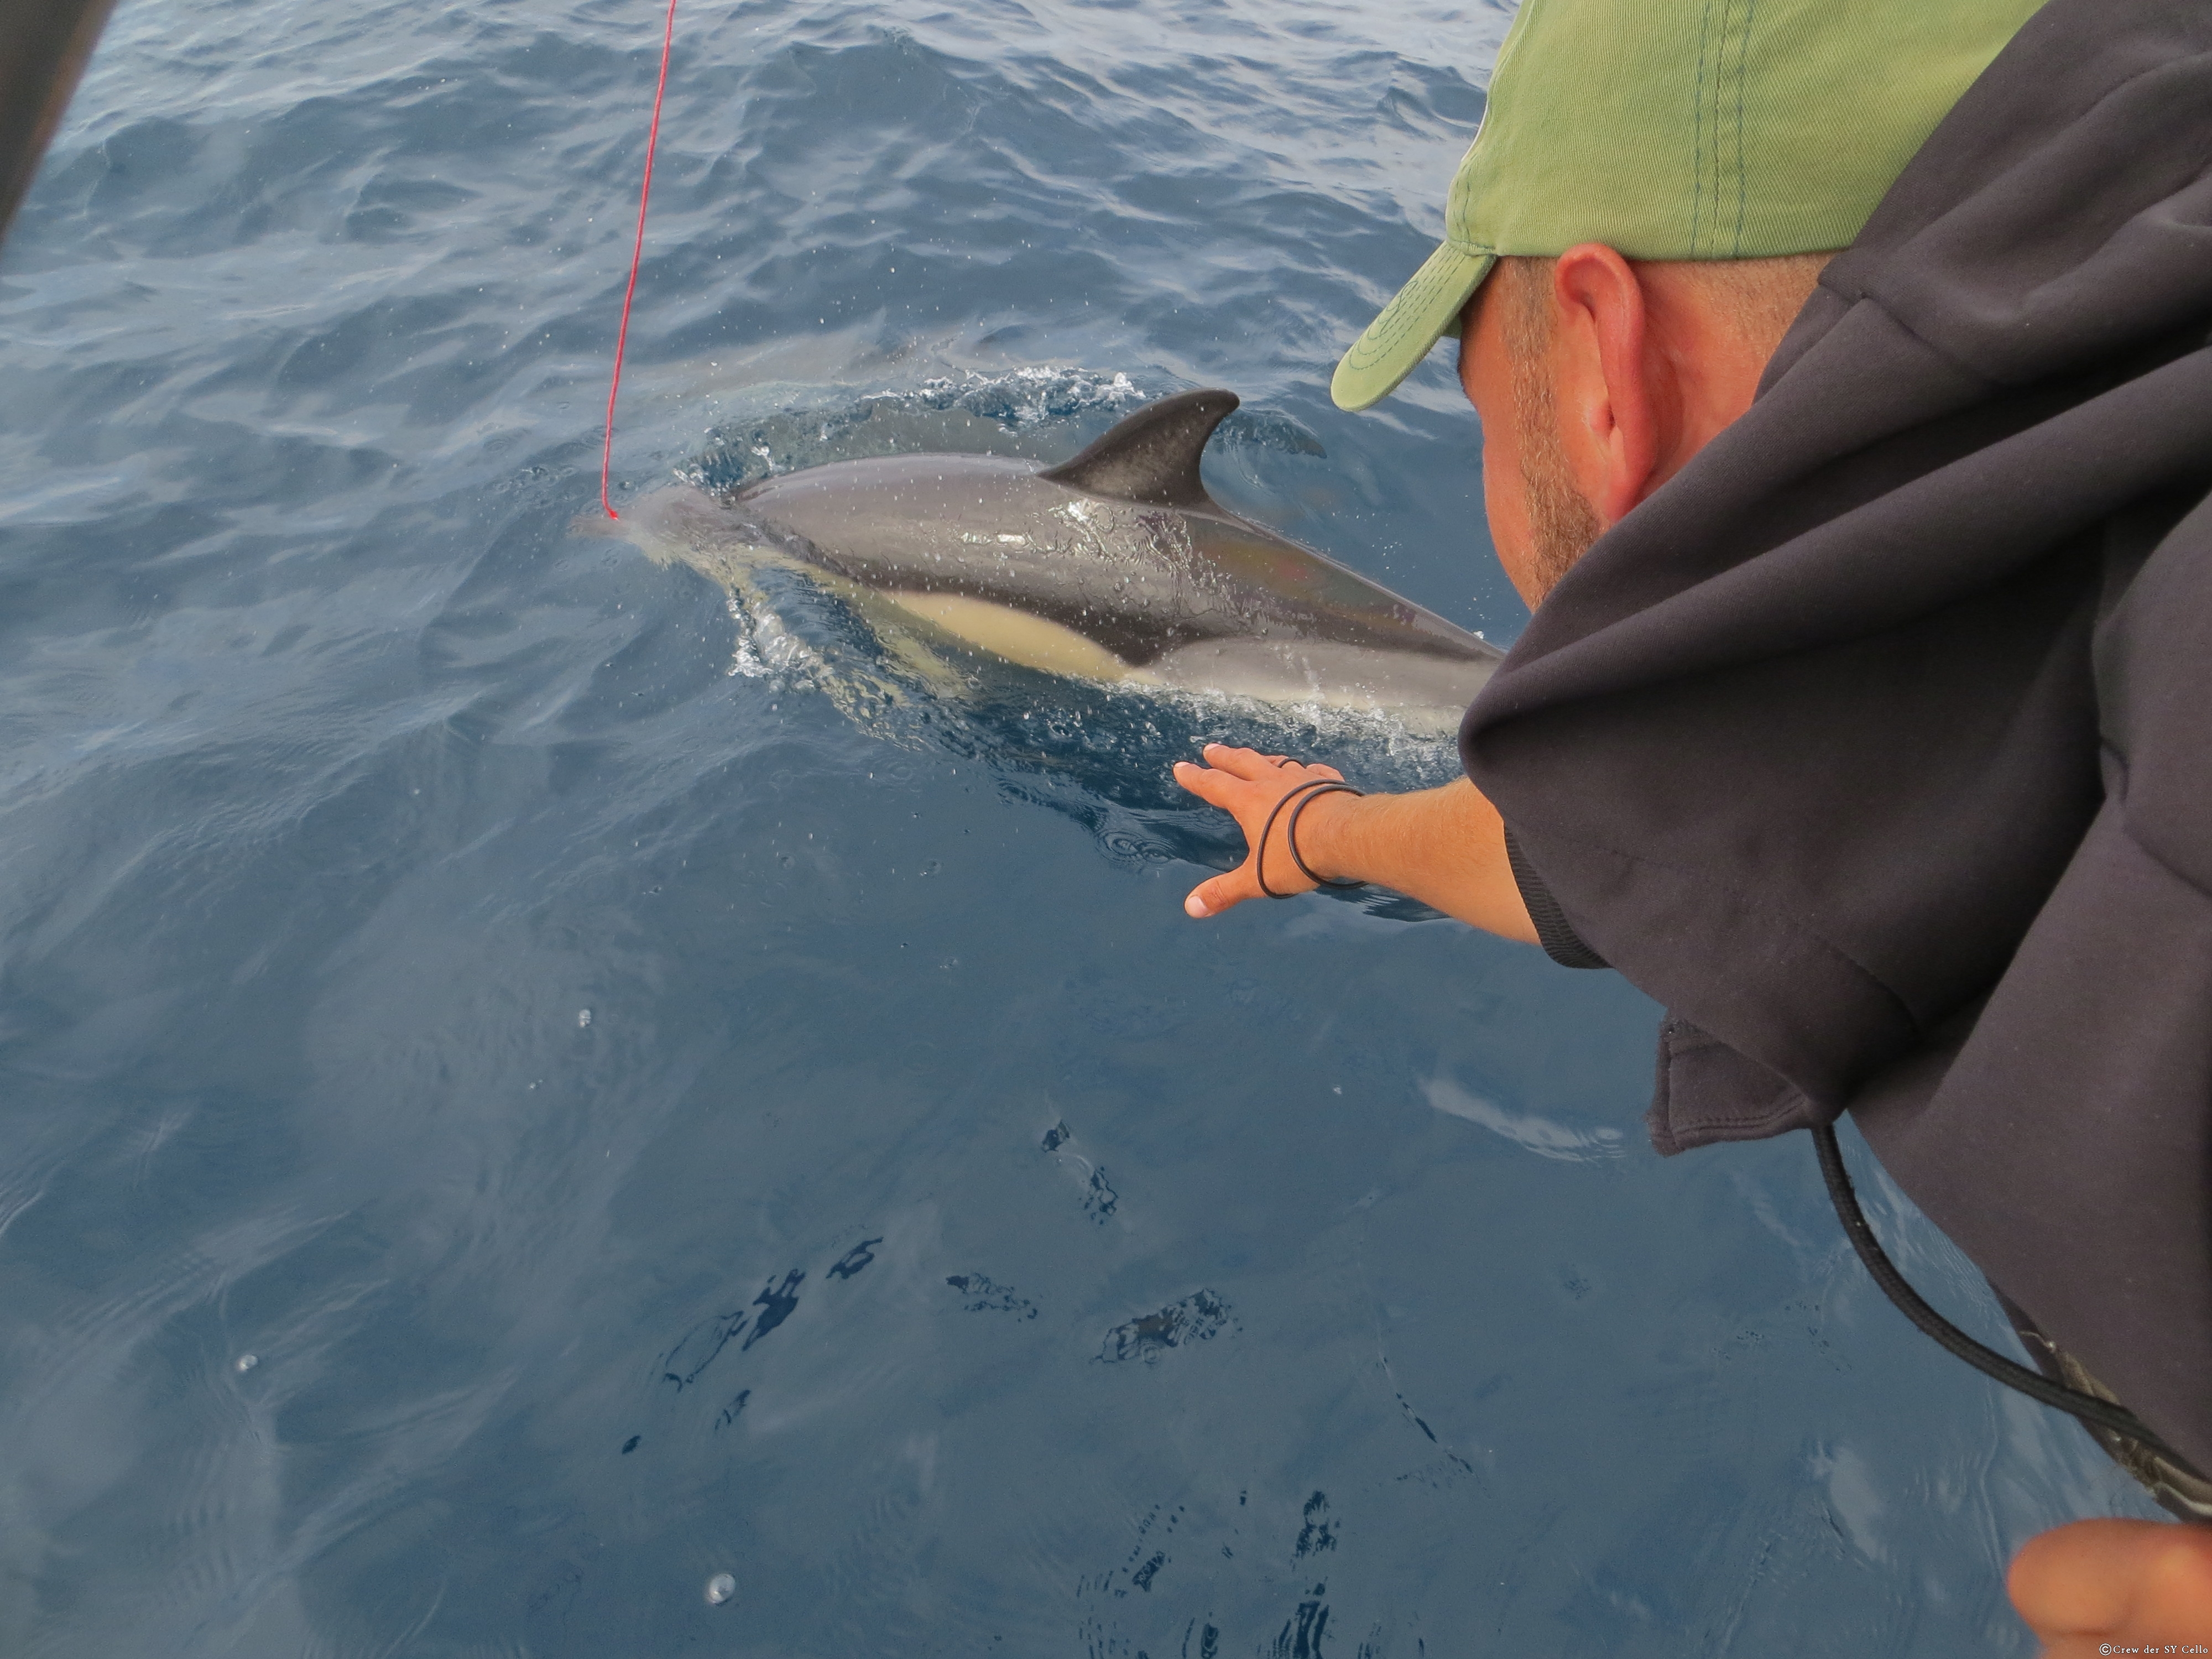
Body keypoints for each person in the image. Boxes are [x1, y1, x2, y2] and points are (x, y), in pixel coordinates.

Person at [1173, 0, 2212, 1645]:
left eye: (1476, 394)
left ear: (1603, 368)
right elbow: (1629, 859)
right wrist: (1323, 829)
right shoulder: (1950, 629)